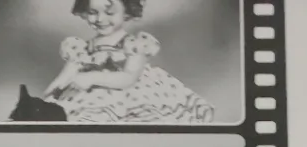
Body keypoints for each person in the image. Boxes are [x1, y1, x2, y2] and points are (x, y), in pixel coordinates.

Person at [43, 0, 214, 126]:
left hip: (128, 96)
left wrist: (92, 77)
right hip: (88, 99)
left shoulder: (133, 45)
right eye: (93, 12)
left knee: (139, 120)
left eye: (110, 13)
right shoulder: (81, 48)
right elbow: (65, 76)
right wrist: (48, 98)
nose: (100, 19)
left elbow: (129, 78)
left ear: (126, 12)